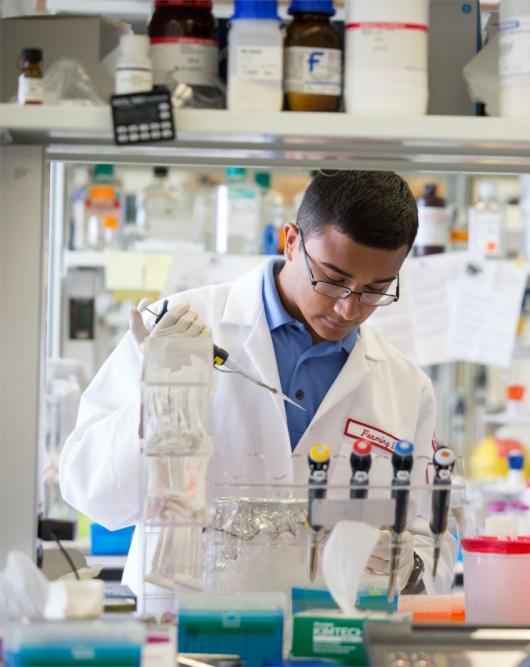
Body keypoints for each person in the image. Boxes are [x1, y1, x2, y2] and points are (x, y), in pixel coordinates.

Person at [60, 170, 454, 602]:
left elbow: (429, 537)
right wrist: (156, 409)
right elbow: (88, 492)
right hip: (182, 628)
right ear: (290, 240)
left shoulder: (405, 386)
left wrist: (410, 565)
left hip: (327, 638)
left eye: (375, 290)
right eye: (333, 278)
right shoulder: (177, 326)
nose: (348, 307)